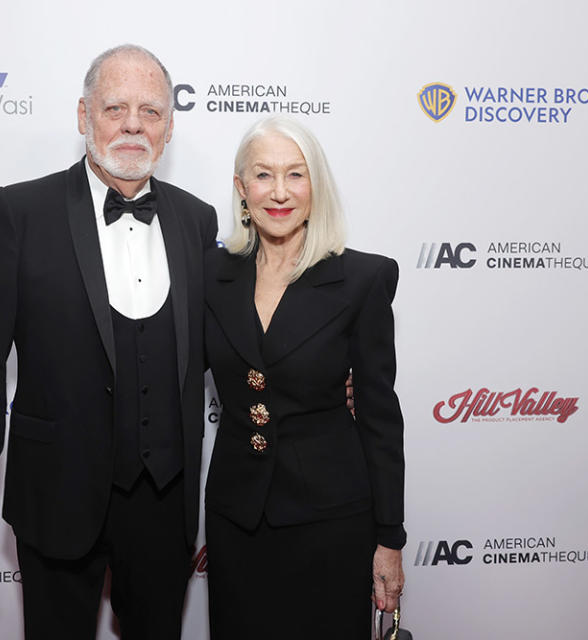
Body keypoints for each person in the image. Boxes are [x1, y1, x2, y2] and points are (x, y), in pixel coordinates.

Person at [0, 44, 217, 639]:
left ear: (169, 127)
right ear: (83, 115)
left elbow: (228, 342)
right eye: (115, 107)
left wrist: (324, 376)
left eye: (150, 111)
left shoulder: (199, 220)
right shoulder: (21, 211)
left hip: (165, 508)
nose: (133, 125)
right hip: (57, 499)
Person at [203, 116, 406, 638]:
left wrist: (389, 539)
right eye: (263, 175)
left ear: (316, 186)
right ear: (240, 188)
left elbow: (381, 418)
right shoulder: (210, 275)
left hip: (331, 520)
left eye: (296, 175)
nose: (279, 192)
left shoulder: (362, 279)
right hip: (236, 518)